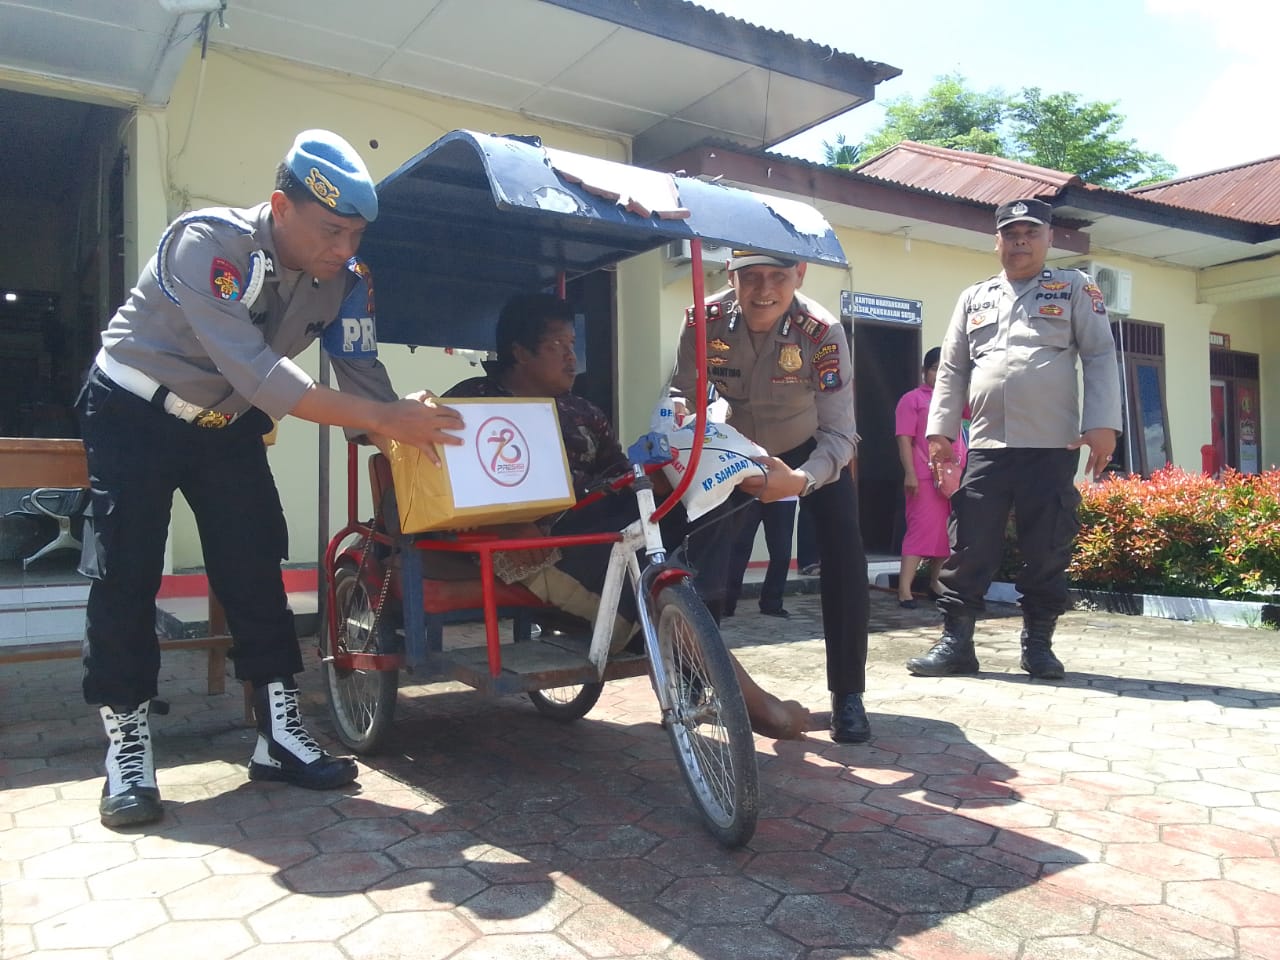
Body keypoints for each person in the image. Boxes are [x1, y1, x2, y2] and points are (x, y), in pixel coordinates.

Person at [79, 130, 466, 828]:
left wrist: (402, 446)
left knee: (256, 564)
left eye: (356, 234)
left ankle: (278, 734)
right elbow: (262, 373)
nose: (345, 249)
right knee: (127, 572)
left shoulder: (348, 282)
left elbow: (362, 374)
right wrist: (386, 417)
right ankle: (127, 750)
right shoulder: (206, 246)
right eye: (331, 231)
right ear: (280, 206)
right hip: (135, 410)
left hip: (227, 425)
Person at [443, 292, 810, 740]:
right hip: (541, 543)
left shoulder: (583, 410)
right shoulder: (471, 403)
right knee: (648, 576)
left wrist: (662, 474)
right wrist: (500, 523)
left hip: (604, 524)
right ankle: (761, 708)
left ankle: (699, 612)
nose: (572, 357)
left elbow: (619, 475)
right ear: (520, 352)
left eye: (573, 344)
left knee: (711, 494)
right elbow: (449, 485)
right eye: (558, 346)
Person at [906, 198, 1122, 680]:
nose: (1019, 241)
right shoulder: (974, 298)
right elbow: (953, 368)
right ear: (997, 241)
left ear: (1048, 238)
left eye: (1030, 232)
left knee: (1046, 546)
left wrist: (1102, 423)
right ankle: (956, 644)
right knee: (969, 547)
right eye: (1010, 233)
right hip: (986, 445)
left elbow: (1101, 356)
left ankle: (1039, 646)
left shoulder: (1073, 288)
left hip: (1052, 446)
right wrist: (940, 431)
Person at [671, 251, 872, 744]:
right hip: (733, 449)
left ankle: (848, 695)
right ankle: (697, 687)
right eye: (751, 277)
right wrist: (688, 427)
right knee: (700, 559)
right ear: (731, 276)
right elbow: (684, 395)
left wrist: (801, 480)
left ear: (798, 276)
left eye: (778, 277)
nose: (764, 290)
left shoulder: (822, 332)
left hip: (807, 448)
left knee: (846, 555)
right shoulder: (704, 320)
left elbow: (841, 435)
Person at [894, 347, 964, 608]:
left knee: (947, 535)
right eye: (935, 368)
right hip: (923, 477)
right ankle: (904, 590)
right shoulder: (912, 400)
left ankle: (935, 583)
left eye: (944, 369)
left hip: (953, 479)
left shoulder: (952, 401)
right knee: (920, 532)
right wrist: (910, 473)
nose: (939, 374)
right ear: (924, 371)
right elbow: (904, 439)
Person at [723, 498, 797, 618]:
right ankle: (726, 603)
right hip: (749, 493)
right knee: (737, 551)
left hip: (784, 494)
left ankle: (772, 603)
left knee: (782, 553)